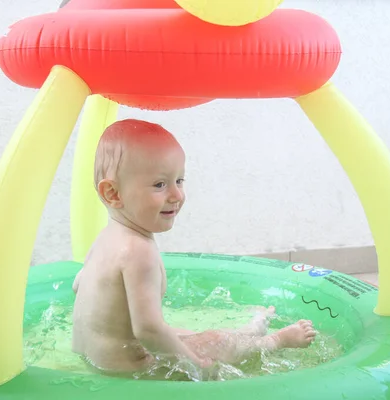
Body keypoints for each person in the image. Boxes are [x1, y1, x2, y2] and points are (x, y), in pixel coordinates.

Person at [71, 119, 316, 380]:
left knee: (183, 332)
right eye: (159, 184)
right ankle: (276, 340)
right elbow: (149, 330)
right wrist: (197, 364)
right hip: (133, 371)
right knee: (216, 340)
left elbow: (79, 286)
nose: (177, 195)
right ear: (113, 193)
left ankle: (251, 330)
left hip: (95, 360)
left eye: (179, 180)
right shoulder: (138, 251)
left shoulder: (105, 239)